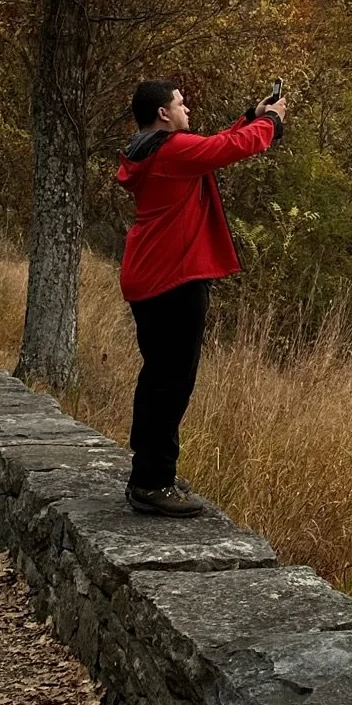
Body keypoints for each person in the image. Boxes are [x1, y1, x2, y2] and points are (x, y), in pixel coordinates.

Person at [116, 79, 286, 516]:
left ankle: (151, 473)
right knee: (172, 382)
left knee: (158, 379)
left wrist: (251, 116)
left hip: (152, 277)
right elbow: (228, 150)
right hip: (173, 279)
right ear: (162, 114)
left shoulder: (153, 150)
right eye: (180, 104)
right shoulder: (170, 151)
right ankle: (153, 483)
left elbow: (214, 144)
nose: (186, 109)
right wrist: (269, 123)